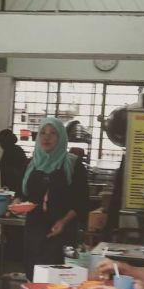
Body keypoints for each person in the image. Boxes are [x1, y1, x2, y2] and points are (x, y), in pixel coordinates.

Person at [21, 117, 89, 279]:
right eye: (43, 133)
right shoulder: (32, 164)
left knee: (59, 282)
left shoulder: (73, 165)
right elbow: (23, 194)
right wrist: (17, 203)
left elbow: (81, 202)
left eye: (53, 133)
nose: (47, 137)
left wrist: (63, 222)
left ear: (61, 138)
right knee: (34, 279)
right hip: (35, 232)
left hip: (62, 234)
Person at [0, 129, 28, 194]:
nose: (0, 145)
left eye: (0, 142)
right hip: (16, 185)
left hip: (13, 187)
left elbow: (6, 170)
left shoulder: (10, 151)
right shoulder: (17, 149)